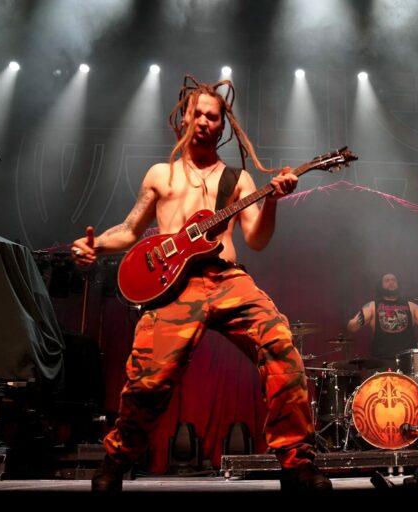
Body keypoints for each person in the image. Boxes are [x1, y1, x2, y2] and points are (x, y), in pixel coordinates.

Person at [72, 76, 331, 492]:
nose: (205, 122)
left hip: (227, 279)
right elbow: (130, 230)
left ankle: (297, 464)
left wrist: (272, 201)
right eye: (199, 115)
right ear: (185, 119)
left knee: (281, 346)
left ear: (222, 126)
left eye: (213, 117)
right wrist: (95, 245)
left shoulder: (238, 180)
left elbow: (257, 240)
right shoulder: (161, 174)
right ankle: (115, 462)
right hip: (174, 286)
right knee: (148, 380)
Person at [346, 273, 418, 366]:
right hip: (381, 361)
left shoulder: (412, 306)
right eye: (387, 280)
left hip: (408, 361)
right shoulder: (372, 306)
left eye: (394, 280)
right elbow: (352, 327)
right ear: (380, 285)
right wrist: (357, 320)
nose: (391, 282)